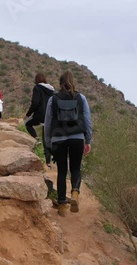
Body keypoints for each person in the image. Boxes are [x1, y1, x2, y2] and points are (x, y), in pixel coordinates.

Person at [44, 70, 92, 217]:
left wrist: (48, 142)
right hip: (77, 138)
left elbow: (47, 123)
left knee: (62, 172)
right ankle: (75, 192)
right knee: (76, 169)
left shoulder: (53, 99)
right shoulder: (81, 98)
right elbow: (88, 120)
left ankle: (62, 205)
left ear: (60, 83)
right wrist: (88, 140)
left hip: (58, 140)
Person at [25, 72, 54, 167]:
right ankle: (49, 162)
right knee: (47, 137)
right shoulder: (51, 90)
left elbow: (35, 103)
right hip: (50, 116)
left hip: (40, 115)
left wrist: (28, 113)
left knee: (28, 124)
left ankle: (36, 139)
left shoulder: (37, 88)